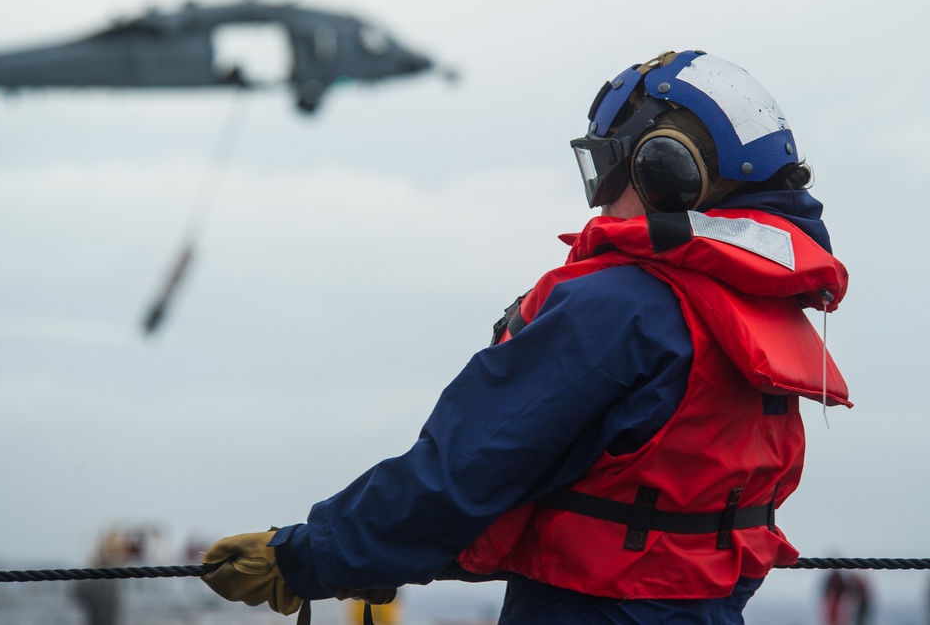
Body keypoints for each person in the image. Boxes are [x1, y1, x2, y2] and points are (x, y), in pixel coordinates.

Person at [199, 49, 851, 624]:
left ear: (664, 171)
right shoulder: (764, 312)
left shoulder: (622, 307)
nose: (599, 201)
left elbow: (465, 468)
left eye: (608, 168)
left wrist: (308, 555)